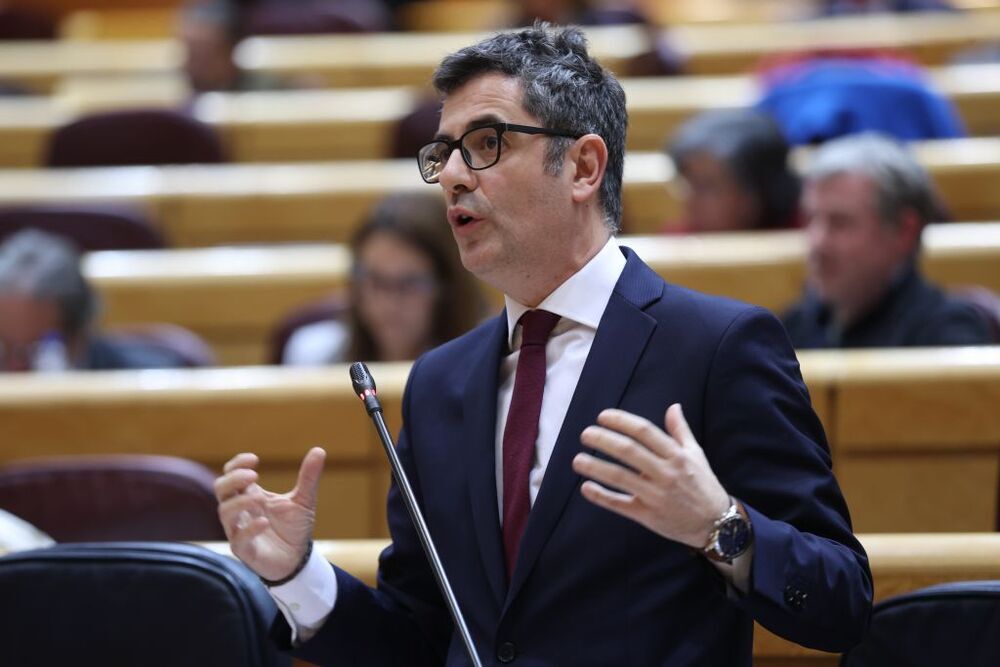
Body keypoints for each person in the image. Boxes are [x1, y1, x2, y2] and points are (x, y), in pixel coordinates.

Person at [215, 24, 872, 666]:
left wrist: (718, 525)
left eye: (487, 142)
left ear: (583, 166)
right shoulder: (441, 381)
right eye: (443, 153)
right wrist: (299, 574)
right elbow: (424, 636)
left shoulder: (716, 346)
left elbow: (840, 600)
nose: (451, 177)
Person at [783, 133, 993, 348]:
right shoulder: (793, 327)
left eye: (840, 223)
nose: (817, 242)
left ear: (904, 231)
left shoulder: (949, 337)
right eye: (810, 219)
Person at [281, 192, 490, 365]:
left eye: (410, 283)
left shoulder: (487, 359)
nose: (389, 303)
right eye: (374, 281)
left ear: (446, 287)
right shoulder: (311, 355)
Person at [0, 229, 192, 371]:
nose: (15, 368)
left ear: (79, 333)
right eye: (3, 348)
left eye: (34, 350)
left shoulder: (144, 384)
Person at [665, 109, 801, 233]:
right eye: (689, 185)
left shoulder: (810, 240)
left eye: (707, 187)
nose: (690, 201)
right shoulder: (678, 240)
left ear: (755, 194)